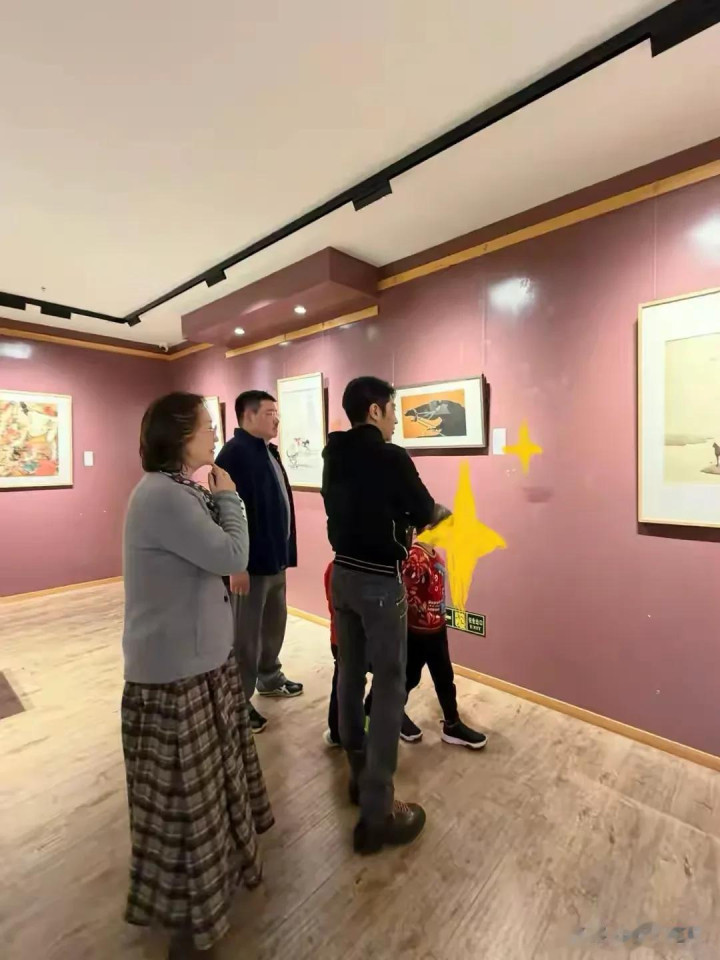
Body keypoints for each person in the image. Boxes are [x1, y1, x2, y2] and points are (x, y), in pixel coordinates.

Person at [121, 392, 273, 958]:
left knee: (209, 790)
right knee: (188, 803)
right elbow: (232, 556)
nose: (215, 434)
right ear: (181, 436)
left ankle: (212, 888)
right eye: (208, 426)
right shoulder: (163, 496)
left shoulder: (177, 490)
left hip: (200, 662)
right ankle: (189, 917)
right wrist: (230, 498)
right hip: (175, 674)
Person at [322, 375, 449, 855]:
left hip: (343, 574)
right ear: (374, 410)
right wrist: (436, 513)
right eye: (393, 410)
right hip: (379, 581)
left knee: (350, 673)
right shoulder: (391, 456)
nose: (396, 419)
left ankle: (359, 777)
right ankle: (378, 813)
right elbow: (423, 508)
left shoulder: (334, 452)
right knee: (391, 686)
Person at [216, 390, 303, 734]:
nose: (276, 419)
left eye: (276, 413)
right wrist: (235, 565)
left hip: (275, 559)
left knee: (273, 623)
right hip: (249, 567)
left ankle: (270, 676)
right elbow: (224, 513)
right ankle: (239, 701)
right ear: (248, 416)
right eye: (269, 413)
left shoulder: (267, 451)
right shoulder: (233, 455)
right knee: (245, 637)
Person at [395, 538, 488, 748]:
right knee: (410, 677)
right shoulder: (415, 557)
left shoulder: (433, 553)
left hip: (436, 629)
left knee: (444, 677)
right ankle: (392, 712)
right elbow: (405, 592)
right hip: (418, 633)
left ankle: (452, 725)